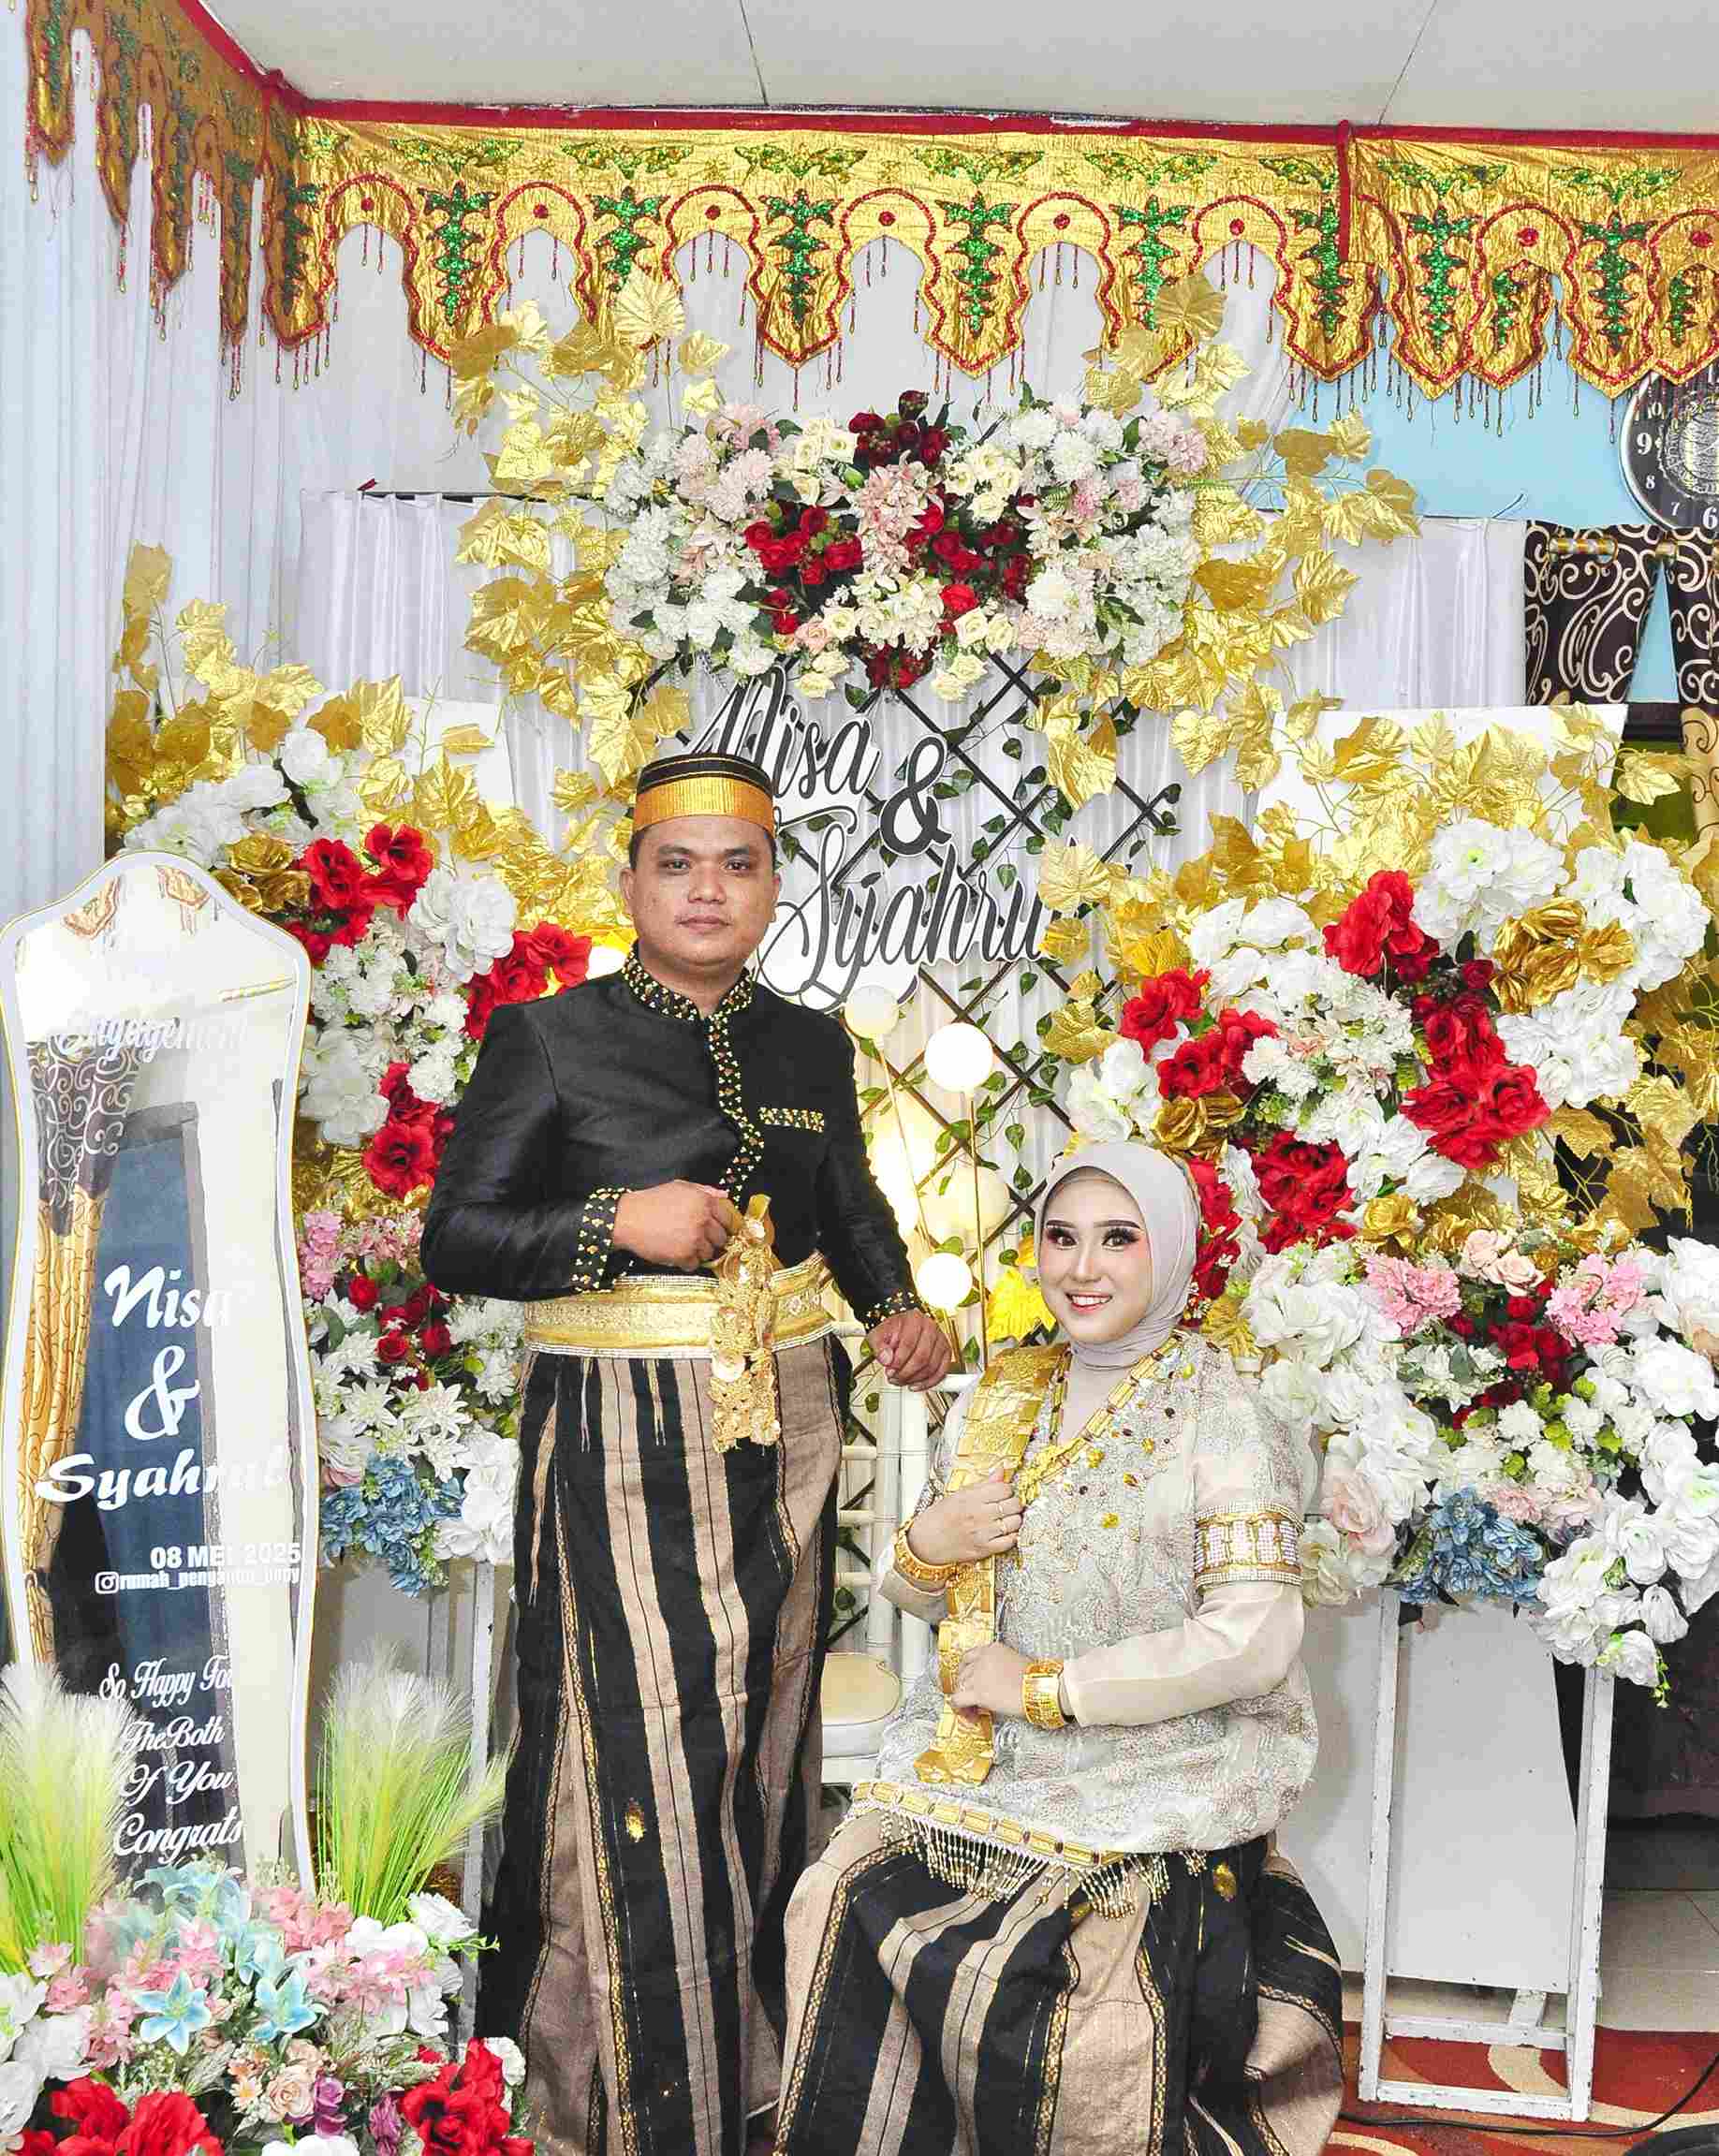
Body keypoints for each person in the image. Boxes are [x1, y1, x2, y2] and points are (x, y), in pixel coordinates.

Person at [421, 750, 951, 2156]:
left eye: (738, 863)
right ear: (630, 882)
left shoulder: (809, 1042)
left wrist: (895, 1303)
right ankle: (598, 2095)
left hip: (790, 1426)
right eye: (677, 863)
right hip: (617, 1433)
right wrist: (616, 1222)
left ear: (775, 884)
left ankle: (745, 2070)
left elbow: (849, 1201)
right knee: (634, 1744)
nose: (707, 889)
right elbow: (457, 1236)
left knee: (762, 1742)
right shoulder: (548, 1036)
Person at [772, 1140, 1342, 2156]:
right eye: (1061, 1238)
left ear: (1172, 1251)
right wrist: (925, 1543)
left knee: (1082, 1987)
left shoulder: (1226, 1413)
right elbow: (927, 1589)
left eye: (1118, 1239)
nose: (1082, 1268)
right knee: (833, 1892)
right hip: (988, 1754)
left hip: (1161, 1761)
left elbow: (1254, 1637)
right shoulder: (1003, 1395)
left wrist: (1048, 1686)